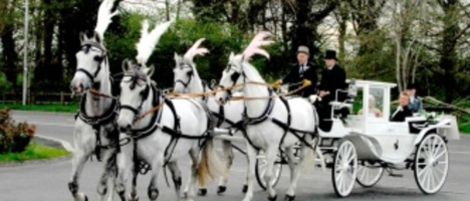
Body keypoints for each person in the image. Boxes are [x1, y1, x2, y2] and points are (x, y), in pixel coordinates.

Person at [316, 49, 347, 131]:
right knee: (314, 99)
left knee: (324, 102)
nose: (327, 61)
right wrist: (320, 91)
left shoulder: (340, 71)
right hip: (325, 94)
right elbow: (322, 84)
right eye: (326, 59)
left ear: (334, 60)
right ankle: (317, 122)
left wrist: (327, 92)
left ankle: (326, 126)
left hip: (336, 94)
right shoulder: (325, 71)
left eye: (329, 59)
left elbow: (340, 85)